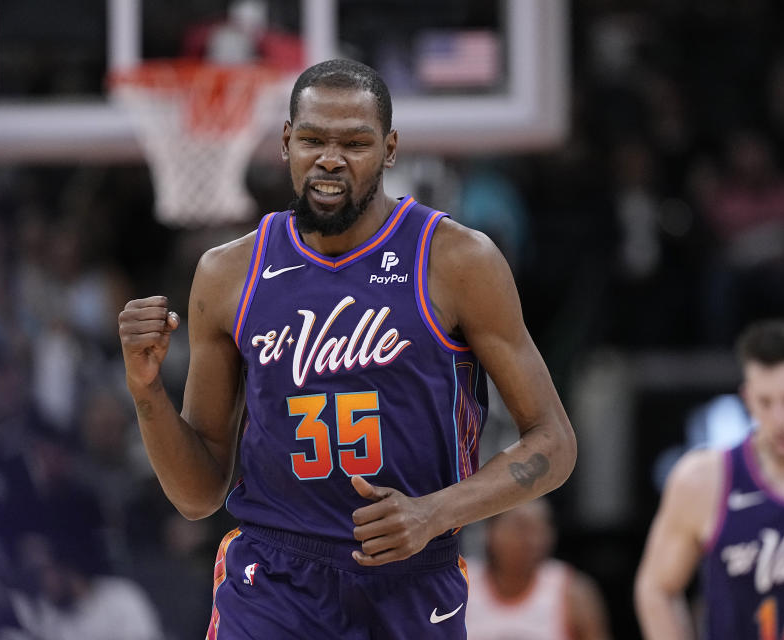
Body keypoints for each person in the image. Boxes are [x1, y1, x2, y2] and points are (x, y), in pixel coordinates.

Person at [117, 58, 577, 638]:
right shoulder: (229, 273)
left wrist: (434, 512)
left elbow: (554, 444)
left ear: (389, 150)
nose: (330, 158)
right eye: (312, 139)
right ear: (286, 143)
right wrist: (146, 391)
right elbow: (197, 495)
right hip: (275, 580)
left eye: (354, 143)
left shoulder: (457, 261)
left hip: (411, 573)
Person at [635, 319, 784, 639]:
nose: (780, 419)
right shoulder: (702, 480)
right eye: (765, 402)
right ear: (747, 398)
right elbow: (656, 588)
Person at [465, 499, 611, 640]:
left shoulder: (574, 591)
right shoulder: (461, 584)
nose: (533, 539)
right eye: (522, 527)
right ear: (490, 531)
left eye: (541, 528)